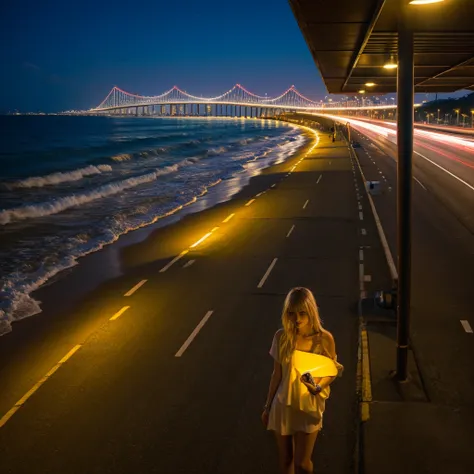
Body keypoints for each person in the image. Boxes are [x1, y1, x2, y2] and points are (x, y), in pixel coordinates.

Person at [261, 287, 343, 474]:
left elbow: (332, 370)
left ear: (311, 311)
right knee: (286, 461)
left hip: (309, 406)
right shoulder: (281, 337)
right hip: (282, 405)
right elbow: (277, 375)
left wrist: (317, 387)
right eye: (291, 313)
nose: (297, 319)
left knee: (303, 464)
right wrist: (267, 407)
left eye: (302, 313)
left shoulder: (324, 339)